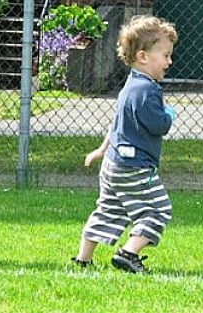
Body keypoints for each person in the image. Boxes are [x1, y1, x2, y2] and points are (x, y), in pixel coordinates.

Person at [72, 14, 178, 273]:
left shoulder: (129, 86)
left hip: (113, 165)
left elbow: (117, 125)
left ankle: (83, 259)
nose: (169, 61)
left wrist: (101, 149)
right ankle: (128, 253)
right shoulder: (147, 91)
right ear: (143, 56)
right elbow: (159, 125)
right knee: (159, 209)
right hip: (135, 167)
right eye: (165, 55)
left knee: (108, 210)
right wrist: (169, 115)